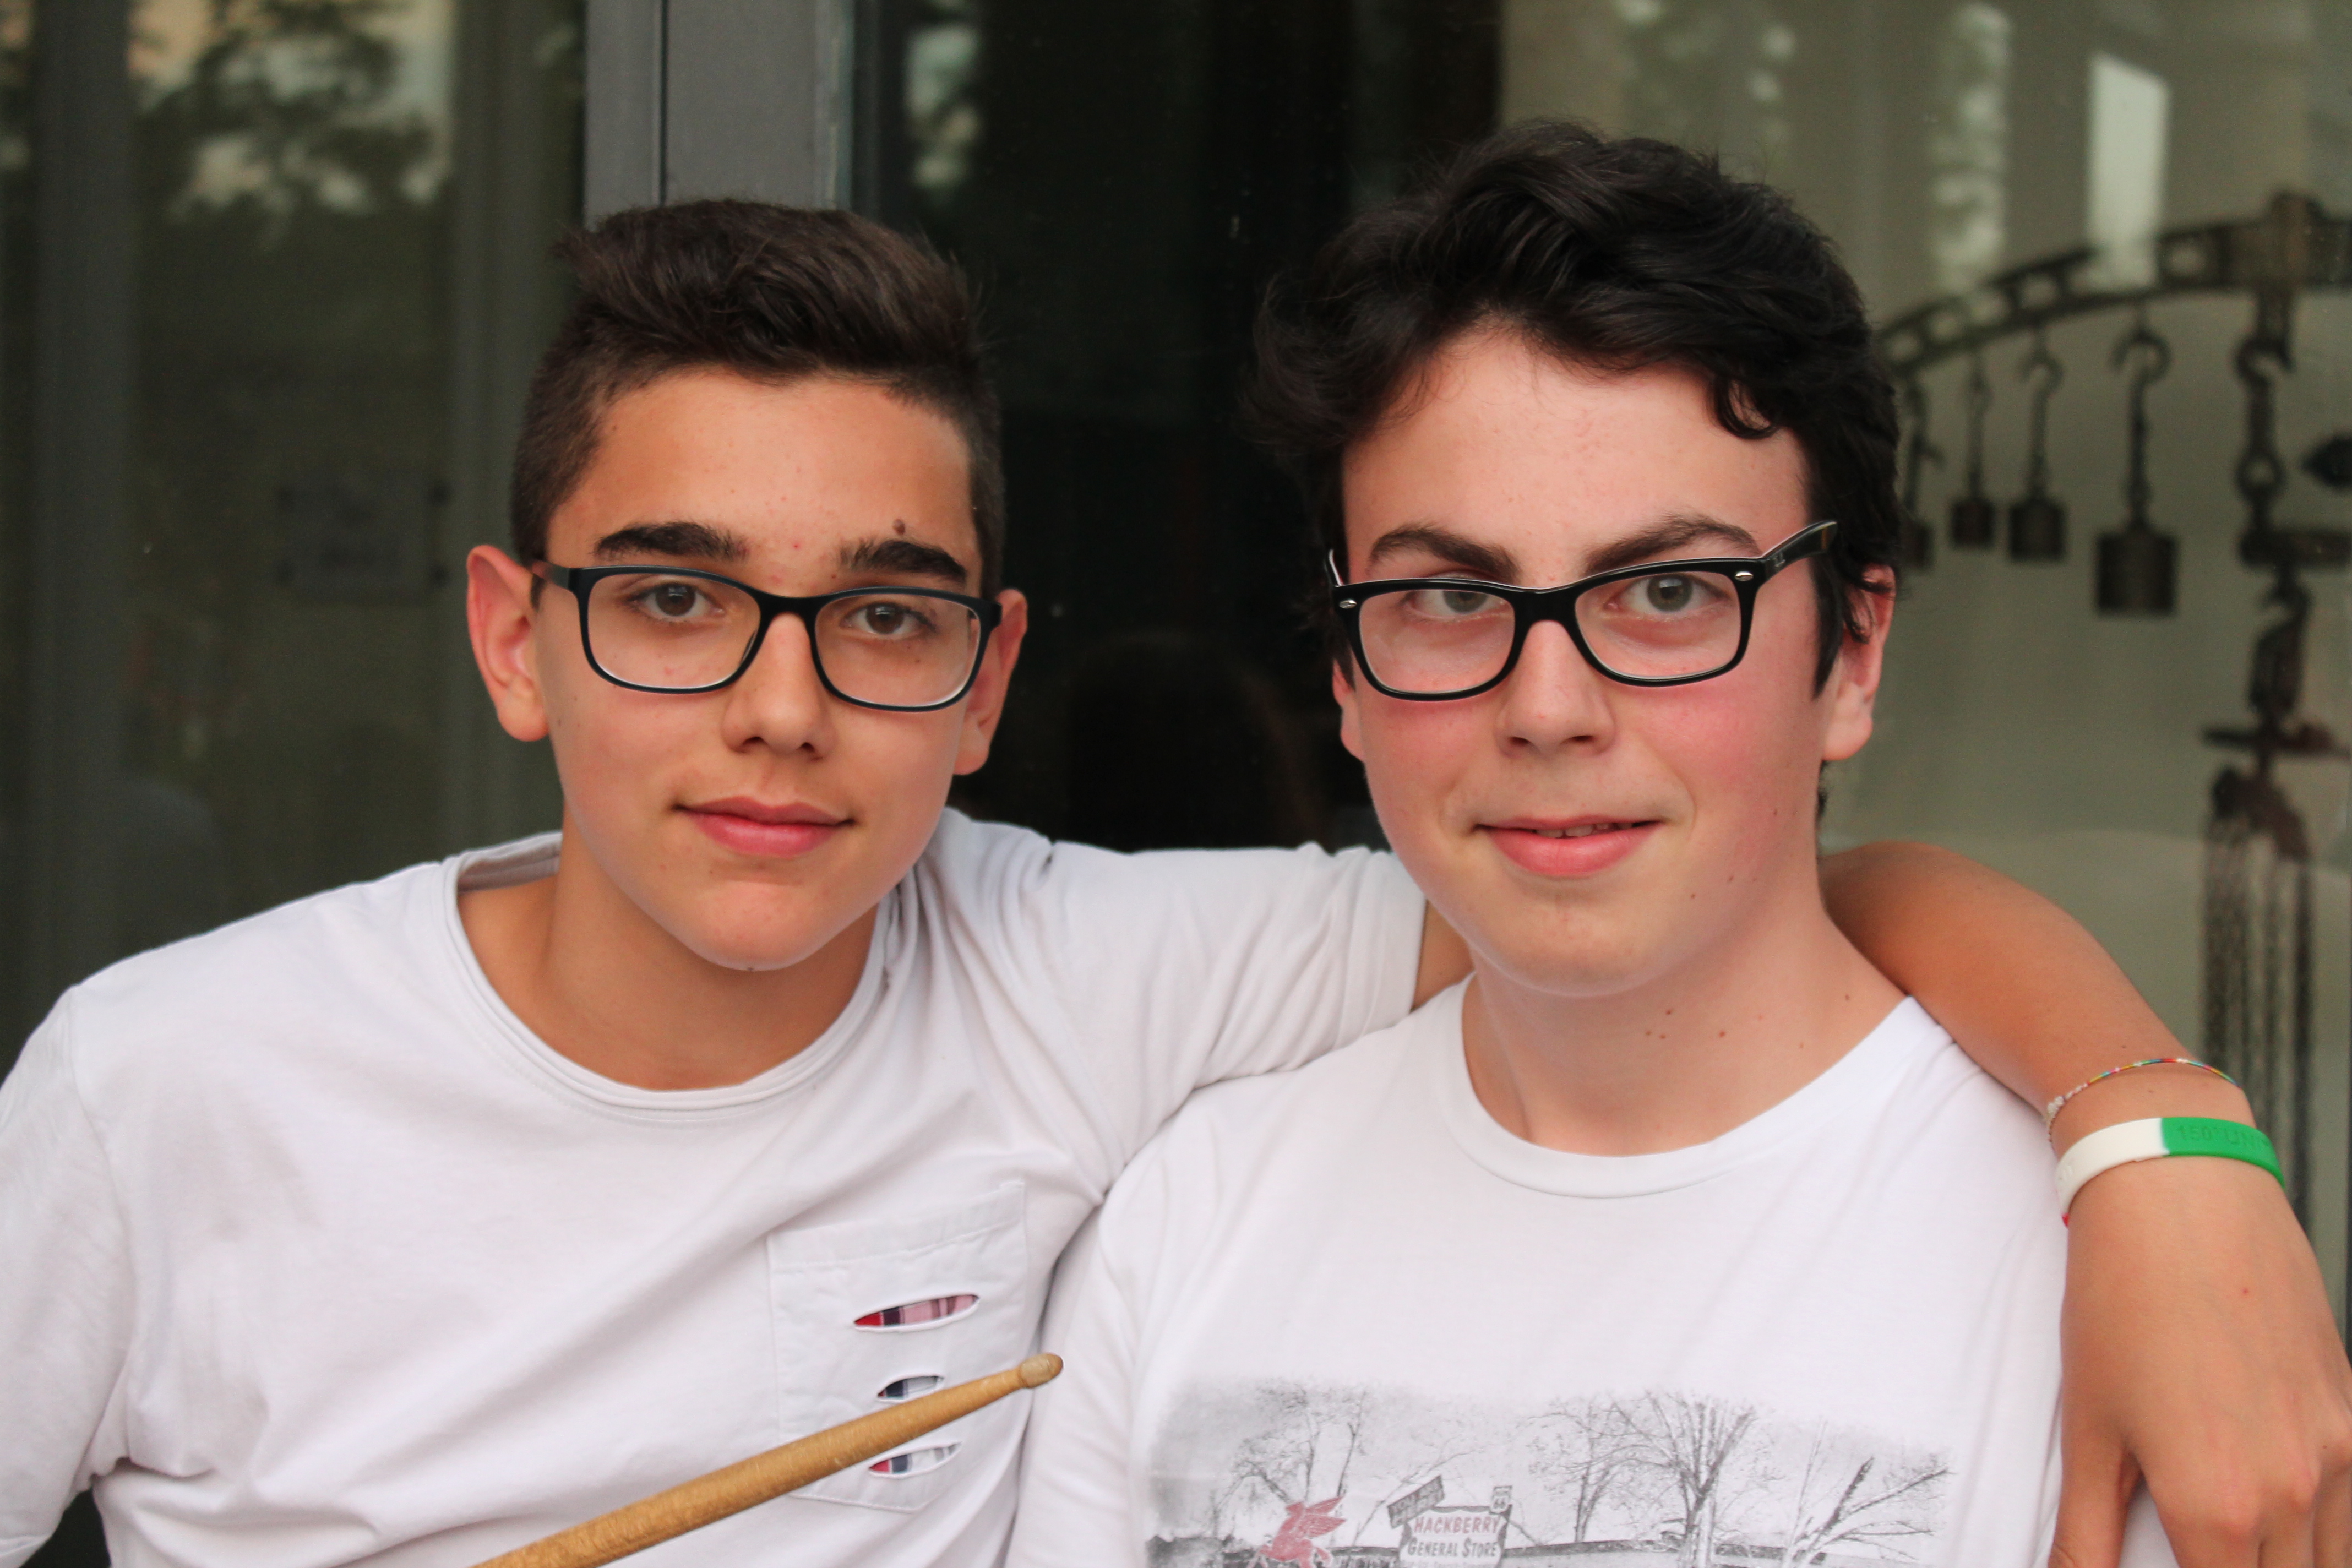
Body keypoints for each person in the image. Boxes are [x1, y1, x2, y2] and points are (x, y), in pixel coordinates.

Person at [0, 199, 2338, 1568]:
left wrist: (2157, 1135)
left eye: (885, 614)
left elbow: (1726, 889)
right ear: (519, 638)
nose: (780, 708)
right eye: (677, 599)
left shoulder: (1088, 981)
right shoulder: (161, 1088)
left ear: (989, 675)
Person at [1007, 126, 2348, 1568]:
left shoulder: (2108, 1285)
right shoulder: (1186, 1222)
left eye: (1667, 593)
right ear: (1344, 673)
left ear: (1853, 652)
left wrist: (2157, 1140)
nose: (1548, 707)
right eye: (1447, 599)